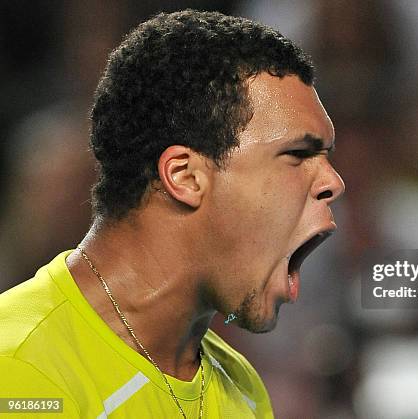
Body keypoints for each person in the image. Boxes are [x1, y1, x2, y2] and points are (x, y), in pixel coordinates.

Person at [0, 10, 344, 418]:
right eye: (297, 154)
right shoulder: (20, 369)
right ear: (185, 176)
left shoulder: (243, 387)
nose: (333, 182)